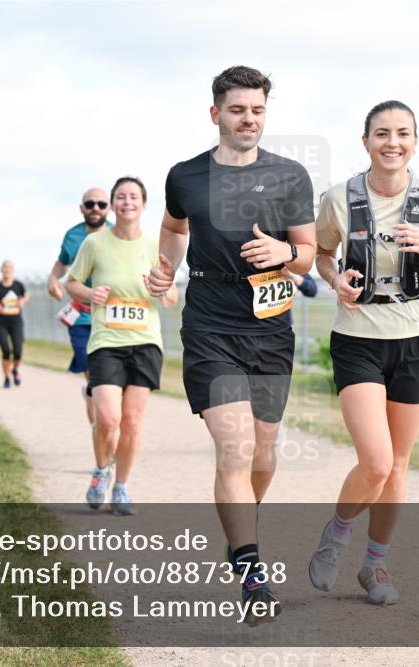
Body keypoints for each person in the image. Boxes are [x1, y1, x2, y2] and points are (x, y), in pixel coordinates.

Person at [146, 66, 316, 624]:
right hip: (211, 321)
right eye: (239, 110)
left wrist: (284, 257)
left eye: (258, 111)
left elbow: (307, 254)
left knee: (264, 455)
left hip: (270, 326)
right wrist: (167, 268)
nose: (249, 120)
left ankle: (240, 530)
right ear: (215, 113)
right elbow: (174, 227)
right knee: (237, 448)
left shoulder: (290, 176)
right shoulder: (185, 175)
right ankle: (251, 575)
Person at [307, 100, 419, 605]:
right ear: (365, 141)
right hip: (359, 336)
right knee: (377, 461)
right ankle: (336, 535)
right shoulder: (339, 198)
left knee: (399, 465)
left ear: (415, 141)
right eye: (382, 133)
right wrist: (333, 277)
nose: (392, 142)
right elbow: (320, 254)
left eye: (402, 133)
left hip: (415, 337)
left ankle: (375, 567)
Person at [67, 176, 178, 516]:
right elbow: (72, 283)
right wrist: (90, 294)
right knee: (108, 418)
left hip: (145, 341)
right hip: (106, 342)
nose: (127, 202)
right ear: (113, 205)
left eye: (134, 197)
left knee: (131, 421)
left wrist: (160, 290)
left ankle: (122, 486)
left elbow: (172, 297)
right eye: (120, 197)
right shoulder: (95, 244)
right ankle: (102, 470)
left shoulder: (156, 246)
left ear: (144, 205)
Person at [47, 188, 114, 432]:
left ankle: (108, 429)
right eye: (90, 204)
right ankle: (101, 435)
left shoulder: (119, 234)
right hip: (82, 316)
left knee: (112, 384)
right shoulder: (73, 236)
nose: (95, 208)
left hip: (111, 317)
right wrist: (52, 279)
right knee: (95, 381)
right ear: (82, 208)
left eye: (101, 204)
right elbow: (62, 263)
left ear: (109, 208)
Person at [0, 260, 30, 389]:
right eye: (4, 267)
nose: (7, 269)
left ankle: (15, 370)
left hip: (16, 322)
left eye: (9, 267)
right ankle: (6, 377)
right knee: (6, 351)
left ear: (13, 269)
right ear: (1, 269)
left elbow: (26, 296)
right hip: (0, 323)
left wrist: (23, 302)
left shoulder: (18, 285)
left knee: (17, 352)